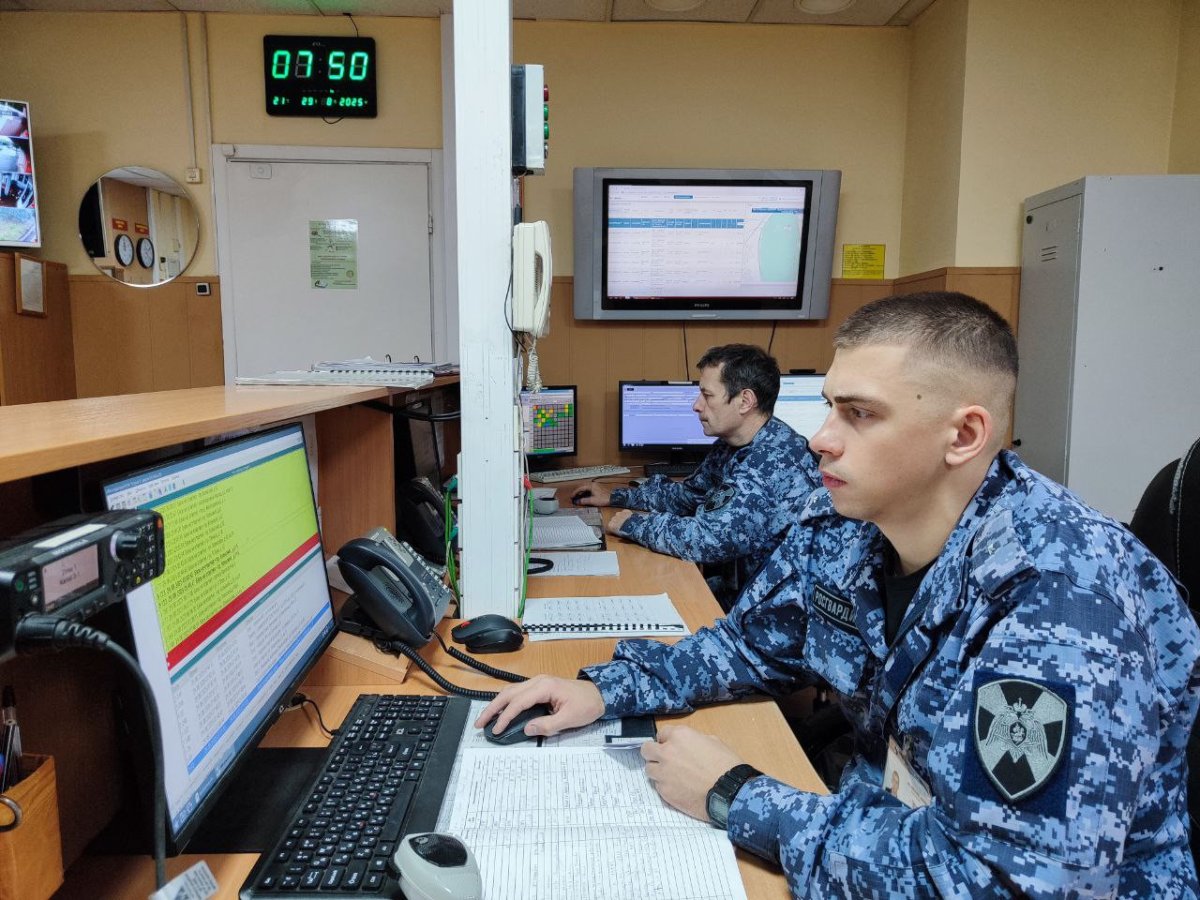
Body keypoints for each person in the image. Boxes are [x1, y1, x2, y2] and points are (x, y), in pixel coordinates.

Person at [480, 292, 1200, 897]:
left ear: (964, 435)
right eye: (828, 407)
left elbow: (1005, 883)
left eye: (859, 414)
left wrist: (735, 794)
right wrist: (605, 690)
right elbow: (749, 646)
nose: (820, 439)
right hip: (875, 826)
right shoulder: (844, 524)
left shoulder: (1061, 599)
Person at [571, 343, 820, 609]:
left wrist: (634, 524)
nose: (696, 406)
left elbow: (708, 540)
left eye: (707, 395)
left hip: (770, 612)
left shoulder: (772, 461)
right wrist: (617, 496)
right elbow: (688, 496)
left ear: (745, 401)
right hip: (746, 592)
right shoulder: (733, 445)